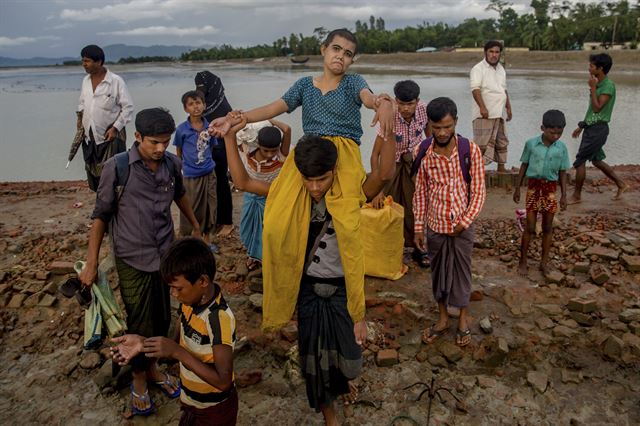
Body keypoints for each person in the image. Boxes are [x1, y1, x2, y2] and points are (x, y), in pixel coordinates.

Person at [210, 29, 395, 335]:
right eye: (336, 49)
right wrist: (236, 120)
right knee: (280, 215)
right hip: (307, 154)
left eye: (348, 53)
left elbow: (369, 99)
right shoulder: (304, 86)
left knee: (348, 226)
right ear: (323, 50)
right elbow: (271, 109)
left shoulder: (354, 82)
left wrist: (383, 103)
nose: (341, 56)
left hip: (343, 156)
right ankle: (284, 300)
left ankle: (356, 311)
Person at [221, 114, 396, 425]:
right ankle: (331, 417)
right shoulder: (289, 196)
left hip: (342, 291)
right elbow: (243, 182)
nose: (315, 187)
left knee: (350, 361)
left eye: (322, 179)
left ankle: (344, 384)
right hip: (308, 292)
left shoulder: (350, 194)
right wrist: (228, 139)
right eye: (308, 179)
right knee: (314, 359)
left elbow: (384, 172)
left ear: (335, 172)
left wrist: (388, 128)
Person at [79, 108, 201, 417]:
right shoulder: (117, 168)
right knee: (138, 322)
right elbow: (100, 217)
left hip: (165, 255)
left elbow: (181, 195)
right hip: (132, 258)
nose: (161, 148)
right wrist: (92, 264)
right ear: (137, 137)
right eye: (154, 143)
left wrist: (195, 226)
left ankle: (154, 370)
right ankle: (139, 379)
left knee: (161, 320)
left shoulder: (172, 164)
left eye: (165, 142)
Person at [111, 237, 237, 425]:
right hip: (191, 401)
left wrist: (177, 352)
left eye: (178, 288)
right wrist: (143, 343)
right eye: (170, 288)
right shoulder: (189, 303)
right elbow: (175, 344)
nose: (173, 294)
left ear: (202, 281)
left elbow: (223, 381)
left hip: (214, 411)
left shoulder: (218, 319)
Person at [413, 97, 486, 347]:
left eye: (447, 126)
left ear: (455, 121)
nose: (442, 133)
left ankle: (463, 319)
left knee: (462, 273)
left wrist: (464, 222)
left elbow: (478, 192)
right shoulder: (422, 152)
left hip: (461, 228)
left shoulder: (470, 150)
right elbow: (421, 192)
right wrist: (419, 227)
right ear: (429, 126)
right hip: (435, 227)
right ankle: (443, 318)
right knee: (438, 273)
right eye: (437, 128)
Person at [370, 80, 430, 267]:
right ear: (396, 101)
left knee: (416, 206)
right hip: (392, 164)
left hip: (413, 161)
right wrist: (377, 189)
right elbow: (375, 155)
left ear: (417, 101)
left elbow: (430, 140)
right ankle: (388, 250)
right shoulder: (390, 116)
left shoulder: (424, 110)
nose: (405, 108)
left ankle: (418, 248)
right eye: (402, 103)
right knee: (388, 205)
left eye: (410, 104)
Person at [513, 110, 570, 277]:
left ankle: (543, 263)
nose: (556, 136)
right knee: (530, 227)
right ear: (542, 128)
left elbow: (562, 172)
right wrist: (517, 187)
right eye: (552, 132)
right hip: (533, 188)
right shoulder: (531, 144)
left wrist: (564, 195)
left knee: (547, 227)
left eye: (559, 132)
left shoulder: (562, 148)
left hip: (550, 190)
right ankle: (522, 261)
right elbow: (524, 165)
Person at [569, 53, 628, 203]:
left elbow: (597, 108)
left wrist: (593, 88)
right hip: (591, 128)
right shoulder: (597, 84)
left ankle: (576, 196)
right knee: (596, 161)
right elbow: (591, 111)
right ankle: (621, 184)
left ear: (600, 68)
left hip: (598, 130)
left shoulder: (607, 86)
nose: (589, 68)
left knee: (580, 161)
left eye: (591, 66)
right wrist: (581, 126)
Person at [77, 44, 134, 191]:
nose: (84, 64)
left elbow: (128, 108)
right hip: (90, 137)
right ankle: (102, 205)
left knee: (114, 175)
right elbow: (82, 104)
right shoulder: (85, 81)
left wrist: (115, 128)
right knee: (94, 176)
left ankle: (115, 207)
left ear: (99, 62)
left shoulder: (116, 81)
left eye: (87, 61)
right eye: (83, 61)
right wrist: (80, 124)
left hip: (110, 138)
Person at [238, 120, 291, 271]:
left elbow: (287, 129)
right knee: (249, 229)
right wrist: (247, 122)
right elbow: (237, 135)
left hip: (272, 200)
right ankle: (253, 256)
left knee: (269, 230)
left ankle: (266, 258)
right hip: (251, 198)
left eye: (273, 150)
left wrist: (270, 119)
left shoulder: (282, 154)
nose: (269, 154)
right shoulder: (248, 150)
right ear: (258, 144)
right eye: (265, 150)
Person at [174, 90, 218, 245]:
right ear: (186, 109)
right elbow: (179, 151)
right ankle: (189, 238)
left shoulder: (210, 128)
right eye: (191, 104)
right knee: (191, 207)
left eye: (198, 103)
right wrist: (179, 171)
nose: (195, 107)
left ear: (204, 105)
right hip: (190, 175)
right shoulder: (181, 130)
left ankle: (207, 238)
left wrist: (206, 163)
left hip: (209, 173)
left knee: (209, 206)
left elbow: (210, 148)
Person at [195, 71, 235, 237]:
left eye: (202, 86)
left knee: (221, 182)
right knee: (209, 183)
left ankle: (227, 222)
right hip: (206, 147)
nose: (200, 90)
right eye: (198, 87)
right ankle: (215, 218)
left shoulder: (222, 105)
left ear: (213, 85)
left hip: (222, 145)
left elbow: (231, 127)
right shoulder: (200, 104)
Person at [470, 40, 512, 172]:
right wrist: (483, 107)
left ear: (500, 54)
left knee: (501, 141)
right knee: (481, 145)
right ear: (485, 52)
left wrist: (508, 107)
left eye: (497, 52)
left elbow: (503, 90)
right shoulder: (478, 69)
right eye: (491, 51)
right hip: (484, 114)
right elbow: (475, 90)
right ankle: (477, 172)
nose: (494, 55)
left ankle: (501, 169)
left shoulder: (501, 69)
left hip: (499, 113)